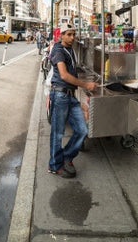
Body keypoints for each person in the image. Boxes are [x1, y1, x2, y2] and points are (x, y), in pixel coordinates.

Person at [48, 23, 98, 178]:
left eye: (73, 34)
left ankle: (67, 157)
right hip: (60, 96)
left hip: (70, 95)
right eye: (68, 34)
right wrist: (86, 85)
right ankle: (55, 165)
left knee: (82, 130)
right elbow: (63, 75)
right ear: (61, 35)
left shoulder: (70, 49)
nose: (72, 37)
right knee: (57, 134)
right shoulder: (58, 50)